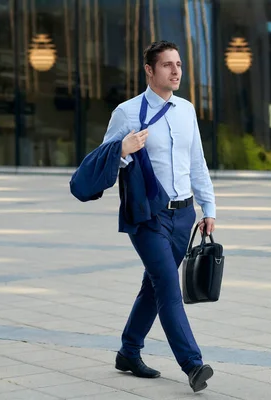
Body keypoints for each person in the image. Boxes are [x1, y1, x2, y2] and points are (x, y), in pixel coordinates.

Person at [101, 40, 216, 393]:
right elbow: (105, 162)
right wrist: (123, 149)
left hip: (184, 216)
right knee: (166, 284)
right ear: (149, 70)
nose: (176, 71)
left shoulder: (186, 110)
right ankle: (193, 364)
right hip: (147, 215)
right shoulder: (127, 112)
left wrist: (208, 208)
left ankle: (128, 351)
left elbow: (197, 162)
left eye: (178, 64)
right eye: (167, 65)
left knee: (152, 285)